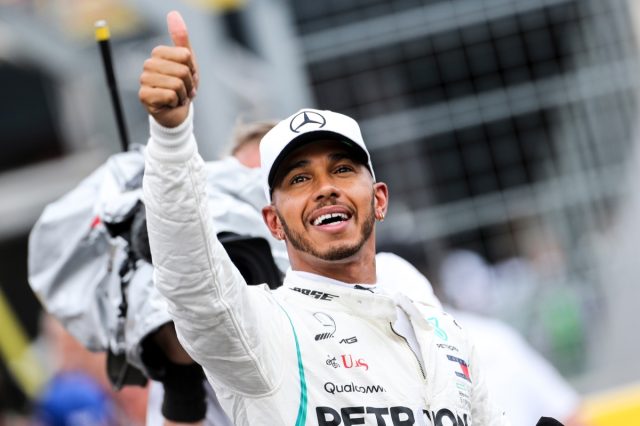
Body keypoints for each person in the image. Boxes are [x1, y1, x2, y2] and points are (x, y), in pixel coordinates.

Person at [139, 11, 509, 425]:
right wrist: (171, 138)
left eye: (343, 169)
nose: (324, 188)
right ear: (273, 221)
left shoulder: (444, 332)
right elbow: (191, 279)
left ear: (380, 199)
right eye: (298, 179)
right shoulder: (264, 330)